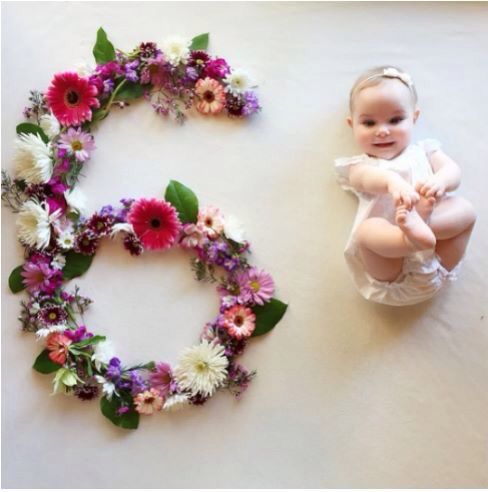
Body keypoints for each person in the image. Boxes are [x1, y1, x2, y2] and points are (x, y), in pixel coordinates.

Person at [335, 66, 476, 306]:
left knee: (466, 209)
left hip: (438, 261)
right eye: (369, 123)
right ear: (352, 125)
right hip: (391, 271)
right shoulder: (360, 165)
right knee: (368, 231)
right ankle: (407, 238)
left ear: (414, 117)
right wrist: (391, 181)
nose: (382, 131)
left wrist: (441, 180)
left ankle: (421, 226)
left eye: (395, 120)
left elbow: (454, 172)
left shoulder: (426, 150)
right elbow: (366, 180)